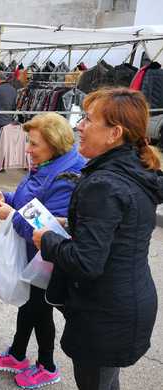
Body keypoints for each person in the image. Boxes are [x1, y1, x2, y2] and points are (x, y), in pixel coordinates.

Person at [33, 88, 163, 390]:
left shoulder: (104, 184)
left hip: (105, 313)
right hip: (124, 304)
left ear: (114, 133)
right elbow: (120, 228)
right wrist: (75, 223)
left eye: (88, 120)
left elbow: (86, 262)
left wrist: (49, 240)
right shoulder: (133, 170)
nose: (78, 125)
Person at [0, 113, 85, 389]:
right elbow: (31, 202)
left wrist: (11, 215)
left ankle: (47, 366)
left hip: (48, 260)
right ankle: (17, 355)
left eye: (34, 144)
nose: (27, 149)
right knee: (29, 305)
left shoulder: (69, 175)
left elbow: (51, 230)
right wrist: (6, 197)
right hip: (32, 256)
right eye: (28, 142)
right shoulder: (48, 163)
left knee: (40, 310)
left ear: (54, 144)